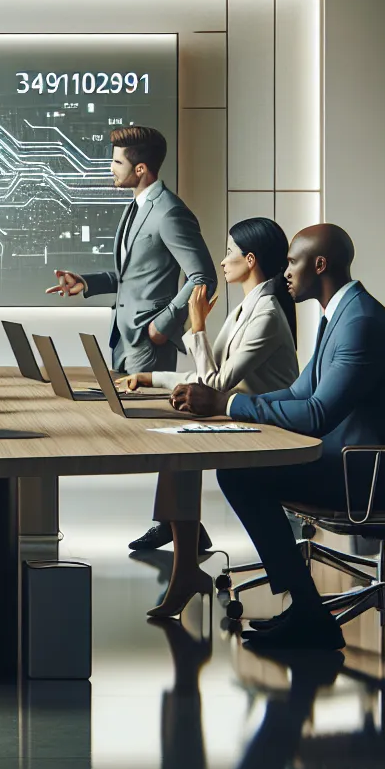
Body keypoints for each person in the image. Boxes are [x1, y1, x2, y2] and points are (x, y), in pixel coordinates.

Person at [174, 223, 385, 650]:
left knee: (240, 476)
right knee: (240, 471)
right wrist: (231, 406)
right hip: (352, 460)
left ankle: (309, 612)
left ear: (320, 264)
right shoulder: (340, 316)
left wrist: (227, 406)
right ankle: (304, 607)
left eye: (293, 262)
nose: (285, 272)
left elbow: (317, 414)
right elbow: (297, 393)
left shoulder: (360, 322)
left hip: (372, 471)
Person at [44, 124, 217, 554]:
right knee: (160, 435)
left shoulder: (169, 212)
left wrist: (164, 325)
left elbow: (203, 277)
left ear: (140, 168)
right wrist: (87, 282)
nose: (110, 167)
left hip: (148, 338)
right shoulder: (139, 206)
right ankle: (179, 525)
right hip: (125, 336)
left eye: (117, 162)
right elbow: (130, 276)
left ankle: (183, 528)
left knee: (167, 434)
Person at [116, 216, 300, 618]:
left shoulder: (266, 313)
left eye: (230, 253)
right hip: (242, 420)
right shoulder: (245, 311)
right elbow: (204, 378)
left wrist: (197, 324)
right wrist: (150, 377)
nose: (222, 260)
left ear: (250, 260)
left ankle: (185, 567)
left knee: (180, 450)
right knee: (175, 452)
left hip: (267, 428)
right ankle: (185, 570)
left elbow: (213, 384)